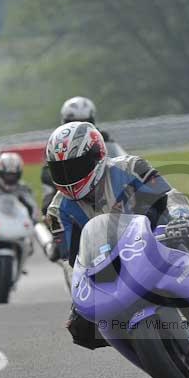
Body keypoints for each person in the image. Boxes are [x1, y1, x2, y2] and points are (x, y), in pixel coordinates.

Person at [45, 121, 189, 351]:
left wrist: (181, 217)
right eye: (61, 170)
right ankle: (149, 343)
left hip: (164, 238)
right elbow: (72, 261)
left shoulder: (130, 168)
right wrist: (79, 300)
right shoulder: (58, 211)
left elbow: (170, 196)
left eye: (75, 167)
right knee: (82, 331)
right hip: (115, 265)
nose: (68, 177)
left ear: (97, 155)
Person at [40, 96, 123, 262]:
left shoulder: (104, 141)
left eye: (84, 121)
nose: (79, 124)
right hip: (90, 262)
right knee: (50, 212)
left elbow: (167, 199)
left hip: (109, 191)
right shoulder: (57, 144)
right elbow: (72, 260)